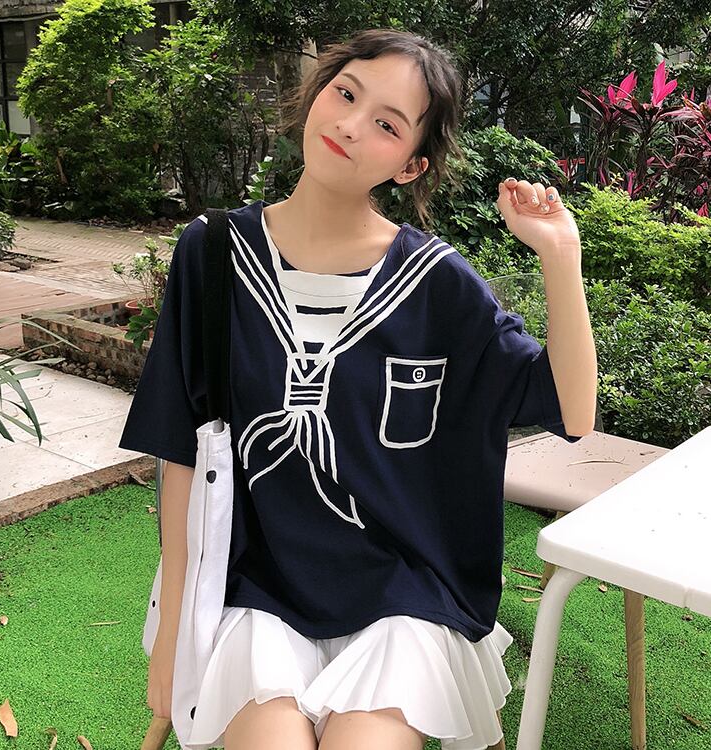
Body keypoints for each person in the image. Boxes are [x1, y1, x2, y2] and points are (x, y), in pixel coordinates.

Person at [119, 27, 598, 750]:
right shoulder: (212, 253)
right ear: (317, 93)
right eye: (346, 94)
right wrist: (175, 631)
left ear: (411, 166)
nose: (350, 124)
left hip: (402, 595)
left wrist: (562, 255)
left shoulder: (434, 283)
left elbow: (573, 409)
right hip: (254, 585)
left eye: (387, 124)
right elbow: (183, 448)